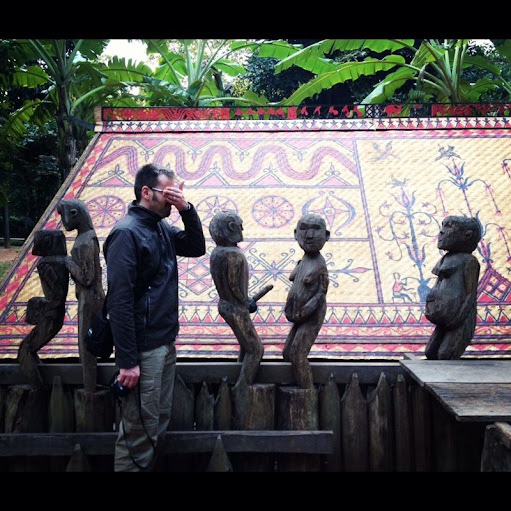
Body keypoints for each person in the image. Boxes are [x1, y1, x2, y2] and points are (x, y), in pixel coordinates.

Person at [103, 163, 206, 471]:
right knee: (138, 431)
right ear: (146, 192)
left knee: (158, 421)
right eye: (169, 194)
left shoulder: (159, 227)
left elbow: (196, 247)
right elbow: (119, 302)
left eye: (177, 193)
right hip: (142, 350)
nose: (173, 199)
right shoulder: (126, 233)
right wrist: (127, 361)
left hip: (163, 342)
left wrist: (187, 209)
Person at [209, 211, 272, 391]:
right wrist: (245, 301)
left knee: (246, 345)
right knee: (256, 349)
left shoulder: (216, 252)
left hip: (226, 304)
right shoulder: (233, 254)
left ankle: (239, 381)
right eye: (240, 225)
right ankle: (242, 388)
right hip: (236, 307)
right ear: (231, 227)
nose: (242, 229)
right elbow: (234, 284)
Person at [424, 215, 481, 360]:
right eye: (443, 226)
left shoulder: (469, 261)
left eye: (449, 227)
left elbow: (470, 294)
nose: (441, 232)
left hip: (458, 319)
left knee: (445, 354)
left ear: (467, 235)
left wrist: (458, 318)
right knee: (430, 352)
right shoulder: (445, 259)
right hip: (444, 317)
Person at [283, 213, 330, 389]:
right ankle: (294, 385)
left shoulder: (319, 265)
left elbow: (321, 294)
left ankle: (307, 391)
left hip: (310, 315)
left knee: (297, 354)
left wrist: (304, 312)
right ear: (296, 234)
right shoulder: (303, 260)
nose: (309, 235)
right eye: (304, 229)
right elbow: (293, 277)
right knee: (287, 353)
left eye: (316, 230)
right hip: (299, 315)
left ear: (326, 236)